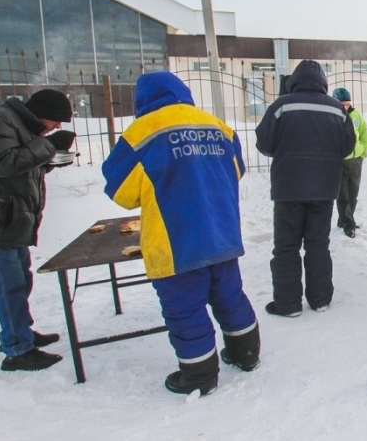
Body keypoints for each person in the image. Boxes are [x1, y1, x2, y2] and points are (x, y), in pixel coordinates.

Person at [102, 72, 259, 396]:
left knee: (185, 308)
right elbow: (237, 170)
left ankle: (199, 376)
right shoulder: (218, 126)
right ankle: (246, 353)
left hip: (176, 240)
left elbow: (121, 191)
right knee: (230, 296)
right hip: (222, 231)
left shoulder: (142, 132)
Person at [0, 89, 76, 371]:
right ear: (41, 113)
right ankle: (17, 349)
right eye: (56, 122)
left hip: (7, 219)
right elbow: (4, 164)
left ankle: (21, 333)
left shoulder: (18, 126)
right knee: (8, 285)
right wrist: (48, 145)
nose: (56, 128)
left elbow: (24, 167)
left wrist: (52, 155)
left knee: (20, 280)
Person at [256, 60, 356, 317]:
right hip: (324, 188)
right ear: (323, 82)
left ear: (294, 80)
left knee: (286, 247)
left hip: (288, 188)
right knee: (318, 244)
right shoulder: (337, 109)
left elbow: (264, 144)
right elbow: (347, 146)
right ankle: (320, 299)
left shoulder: (281, 106)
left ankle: (288, 305)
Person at [332, 87, 367, 238]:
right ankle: (348, 224)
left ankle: (345, 220)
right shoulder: (331, 116)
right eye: (342, 104)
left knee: (353, 193)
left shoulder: (356, 115)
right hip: (339, 161)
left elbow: (364, 134)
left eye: (347, 104)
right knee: (343, 194)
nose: (346, 107)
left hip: (355, 160)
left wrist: (363, 152)